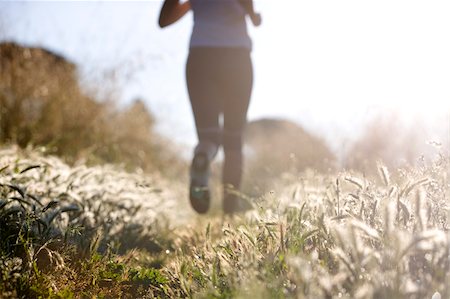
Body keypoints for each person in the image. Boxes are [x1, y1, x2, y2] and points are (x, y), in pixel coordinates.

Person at [159, 0, 261, 214]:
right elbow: (250, 10)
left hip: (201, 57)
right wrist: (253, 16)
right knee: (233, 141)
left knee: (208, 138)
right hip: (236, 58)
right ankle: (229, 215)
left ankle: (203, 156)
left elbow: (164, 20)